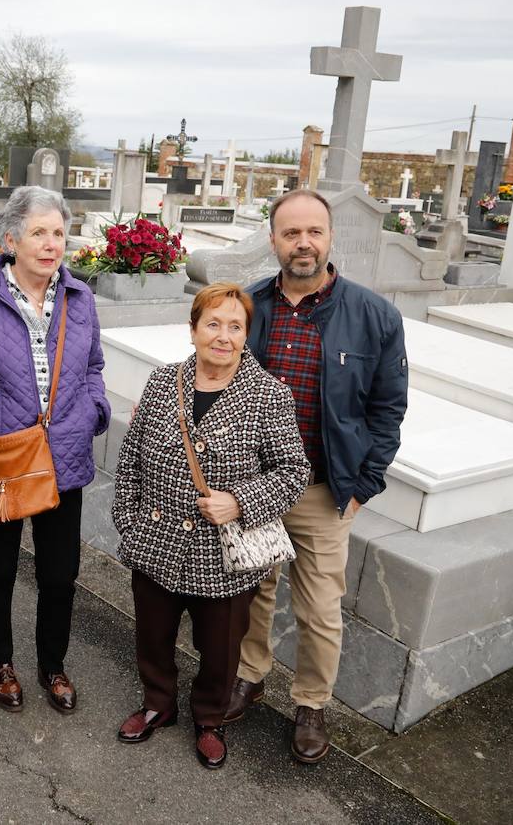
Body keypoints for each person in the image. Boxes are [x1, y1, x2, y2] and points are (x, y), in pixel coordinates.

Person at [226, 188, 408, 763]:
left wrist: (364, 486)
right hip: (256, 481)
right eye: (290, 233)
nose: (303, 243)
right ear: (274, 240)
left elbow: (387, 409)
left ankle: (310, 703)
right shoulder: (250, 306)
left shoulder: (374, 316)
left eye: (314, 232)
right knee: (253, 588)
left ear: (329, 238)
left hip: (324, 489)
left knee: (319, 608)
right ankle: (249, 675)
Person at [111, 283, 309, 768]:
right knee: (152, 638)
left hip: (221, 557)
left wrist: (240, 501)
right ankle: (158, 704)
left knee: (219, 651)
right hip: (155, 543)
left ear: (247, 335)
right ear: (194, 329)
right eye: (213, 324)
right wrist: (128, 522)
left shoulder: (267, 396)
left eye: (235, 326)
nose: (223, 336)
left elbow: (294, 473)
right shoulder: (163, 383)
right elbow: (132, 456)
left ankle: (209, 718)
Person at [0, 185, 110, 714]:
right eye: (38, 232)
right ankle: (0, 660)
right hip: (2, 453)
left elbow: (93, 367)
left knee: (59, 573)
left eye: (58, 233)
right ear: (11, 238)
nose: (50, 244)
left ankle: (52, 664)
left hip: (65, 453)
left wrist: (95, 412)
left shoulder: (80, 298)